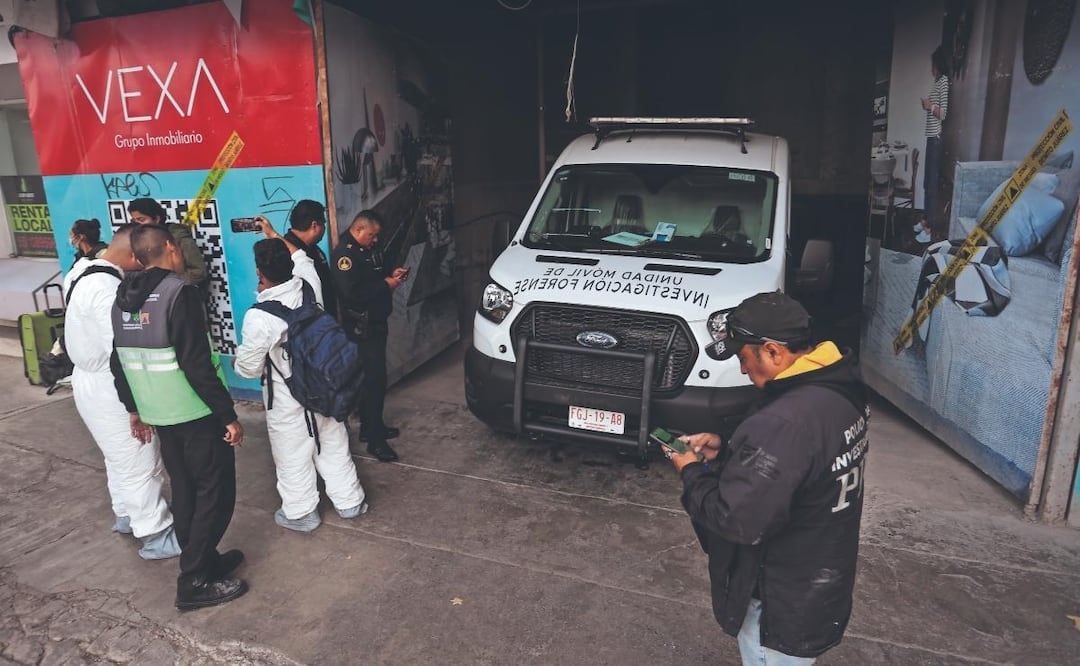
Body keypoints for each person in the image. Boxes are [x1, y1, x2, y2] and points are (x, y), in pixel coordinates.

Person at [662, 292, 869, 665]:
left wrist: (691, 470)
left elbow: (735, 519)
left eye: (744, 358)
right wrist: (728, 451)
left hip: (779, 602)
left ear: (773, 352)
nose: (743, 370)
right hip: (819, 585)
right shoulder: (839, 389)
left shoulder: (782, 423)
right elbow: (800, 465)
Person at [109, 224, 246, 611]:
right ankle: (194, 580)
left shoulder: (121, 298)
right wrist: (227, 415)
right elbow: (196, 362)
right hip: (195, 411)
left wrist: (134, 409)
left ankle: (205, 559)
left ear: (137, 257)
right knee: (215, 492)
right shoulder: (178, 293)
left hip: (160, 412)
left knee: (186, 489)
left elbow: (116, 361)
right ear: (170, 247)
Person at [233, 239, 368, 532]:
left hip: (289, 400)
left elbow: (248, 368)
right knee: (334, 444)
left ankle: (301, 513)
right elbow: (304, 260)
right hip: (328, 386)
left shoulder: (260, 316)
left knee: (292, 456)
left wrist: (236, 362)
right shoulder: (309, 286)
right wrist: (273, 233)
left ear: (260, 273)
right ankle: (350, 502)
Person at [63, 224, 180, 560]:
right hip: (108, 383)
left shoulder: (82, 271)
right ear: (132, 255)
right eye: (141, 257)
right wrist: (136, 405)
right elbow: (120, 351)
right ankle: (155, 532)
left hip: (89, 380)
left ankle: (127, 515)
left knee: (117, 456)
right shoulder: (106, 288)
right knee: (139, 458)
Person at [330, 210, 408, 463]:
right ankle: (375, 440)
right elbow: (352, 293)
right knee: (373, 381)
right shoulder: (345, 255)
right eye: (372, 235)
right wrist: (385, 285)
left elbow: (375, 272)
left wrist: (391, 274)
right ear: (359, 230)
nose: (375, 240)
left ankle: (370, 427)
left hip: (375, 324)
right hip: (362, 329)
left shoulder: (364, 250)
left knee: (374, 379)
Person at [253, 199, 338, 319]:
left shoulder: (314, 249)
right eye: (323, 223)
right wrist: (272, 234)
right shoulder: (284, 253)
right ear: (314, 226)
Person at [127, 197, 209, 288]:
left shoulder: (179, 238)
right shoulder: (137, 239)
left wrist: (170, 285)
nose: (137, 225)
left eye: (142, 220)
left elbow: (198, 272)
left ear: (156, 219)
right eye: (134, 221)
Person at [914, 46, 950, 244]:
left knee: (932, 185)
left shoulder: (944, 82)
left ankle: (929, 231)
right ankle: (925, 220)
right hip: (931, 137)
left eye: (933, 65)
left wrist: (930, 106)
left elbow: (943, 113)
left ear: (938, 64)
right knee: (928, 182)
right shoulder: (937, 83)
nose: (931, 69)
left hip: (936, 137)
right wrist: (928, 106)